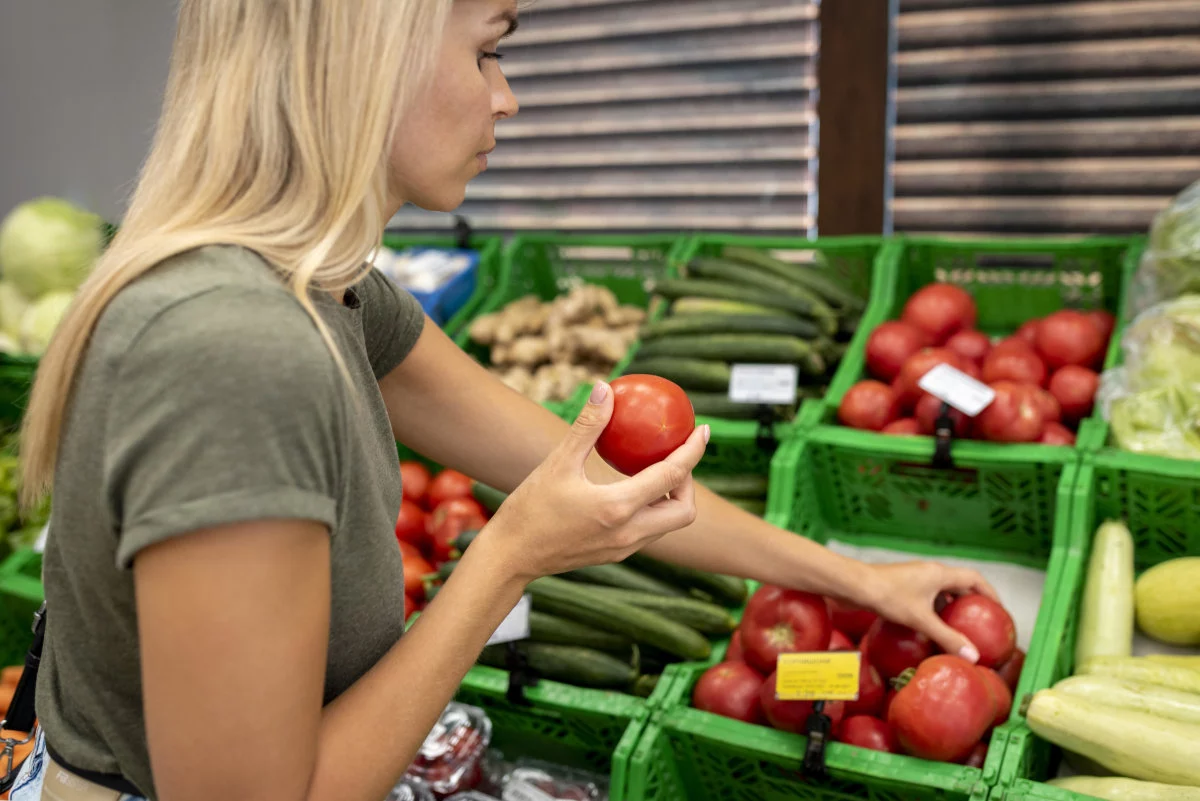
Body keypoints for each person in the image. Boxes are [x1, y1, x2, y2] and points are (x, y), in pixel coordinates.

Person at [9, 1, 996, 800]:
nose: (508, 98)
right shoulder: (234, 348)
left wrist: (855, 582)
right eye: (486, 53)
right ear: (370, 53)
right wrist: (511, 556)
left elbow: (598, 467)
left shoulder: (327, 290)